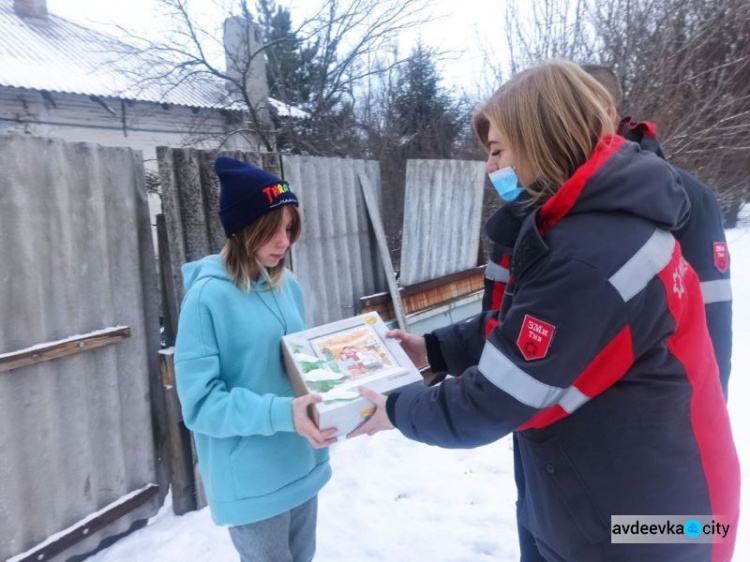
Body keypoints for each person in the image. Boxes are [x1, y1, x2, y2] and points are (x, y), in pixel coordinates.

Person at [350, 60, 740, 562]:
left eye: (498, 151)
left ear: (543, 140)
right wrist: (433, 348)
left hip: (652, 520)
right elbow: (527, 326)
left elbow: (494, 400)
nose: (490, 168)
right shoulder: (583, 228)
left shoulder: (588, 255)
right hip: (605, 492)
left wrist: (395, 410)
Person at [174, 157, 336, 562]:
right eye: (272, 230)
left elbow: (299, 364)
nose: (284, 241)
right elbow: (200, 404)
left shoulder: (287, 284)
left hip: (302, 460)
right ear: (243, 230)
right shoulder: (205, 300)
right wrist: (283, 414)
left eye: (289, 228)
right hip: (252, 480)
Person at [582, 64, 733, 400]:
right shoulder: (544, 195)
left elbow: (713, 321)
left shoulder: (688, 198)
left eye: (573, 109)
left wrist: (709, 412)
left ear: (607, 114)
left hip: (650, 414)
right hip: (553, 424)